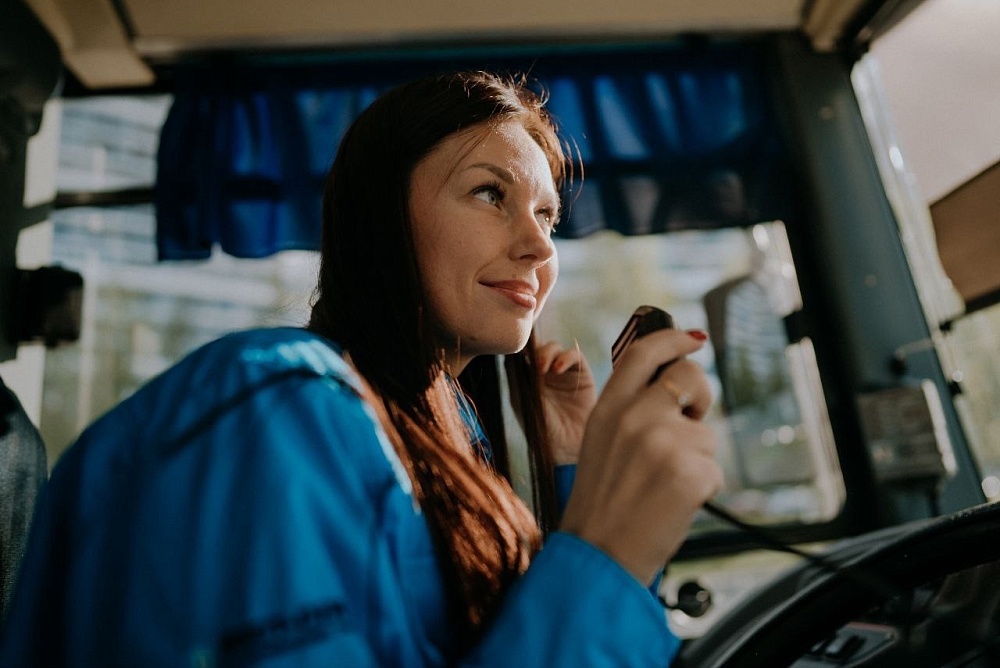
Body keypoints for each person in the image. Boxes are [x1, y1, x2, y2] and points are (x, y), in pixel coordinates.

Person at [0, 71, 722, 666]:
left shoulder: (440, 427)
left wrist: (574, 471)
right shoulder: (274, 404)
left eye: (548, 215)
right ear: (382, 216)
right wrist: (606, 556)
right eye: (489, 194)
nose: (539, 247)